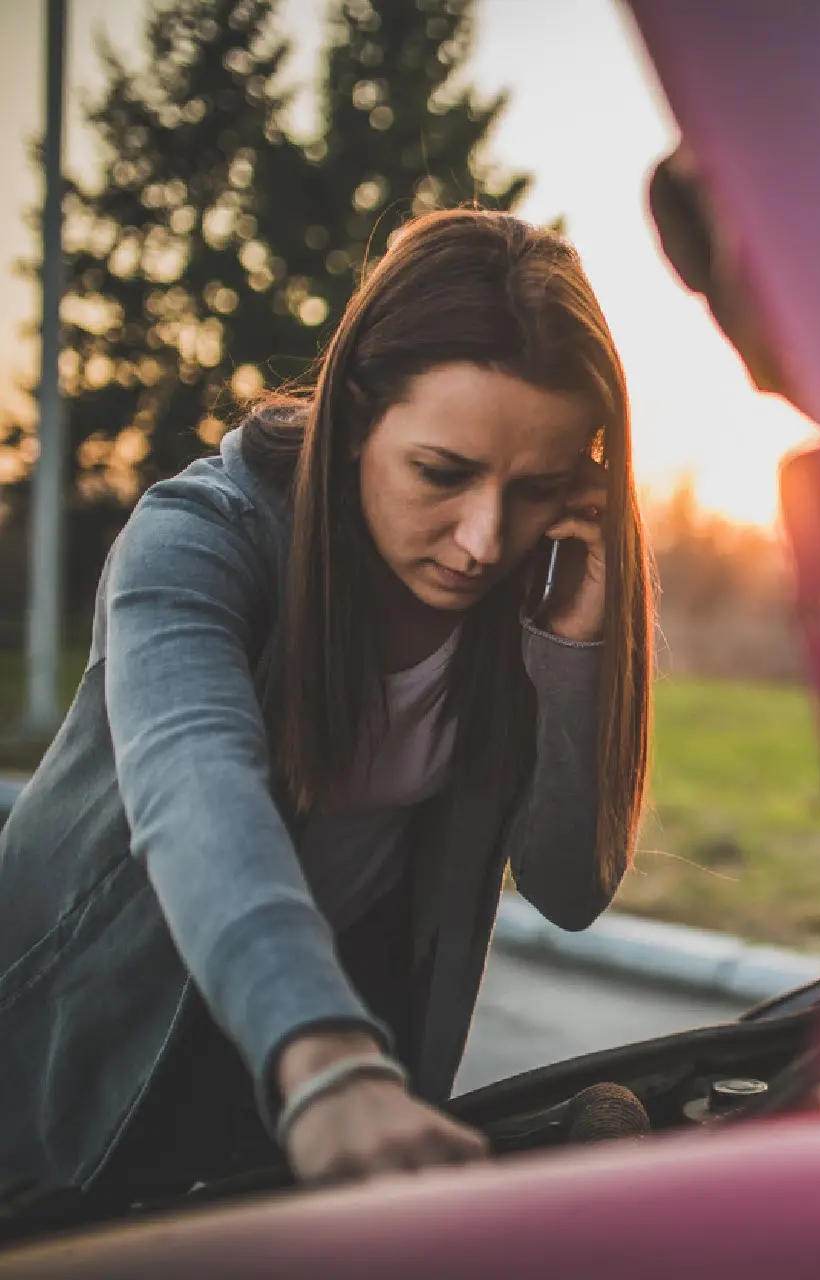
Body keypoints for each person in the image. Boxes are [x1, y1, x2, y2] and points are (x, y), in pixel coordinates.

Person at [0, 209, 652, 1201]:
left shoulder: (521, 592)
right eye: (444, 472)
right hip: (86, 1061)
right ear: (354, 415)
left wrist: (571, 643)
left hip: (307, 1087)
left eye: (537, 487)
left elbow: (567, 886)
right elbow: (196, 790)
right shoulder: (196, 539)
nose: (483, 539)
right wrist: (326, 1054)